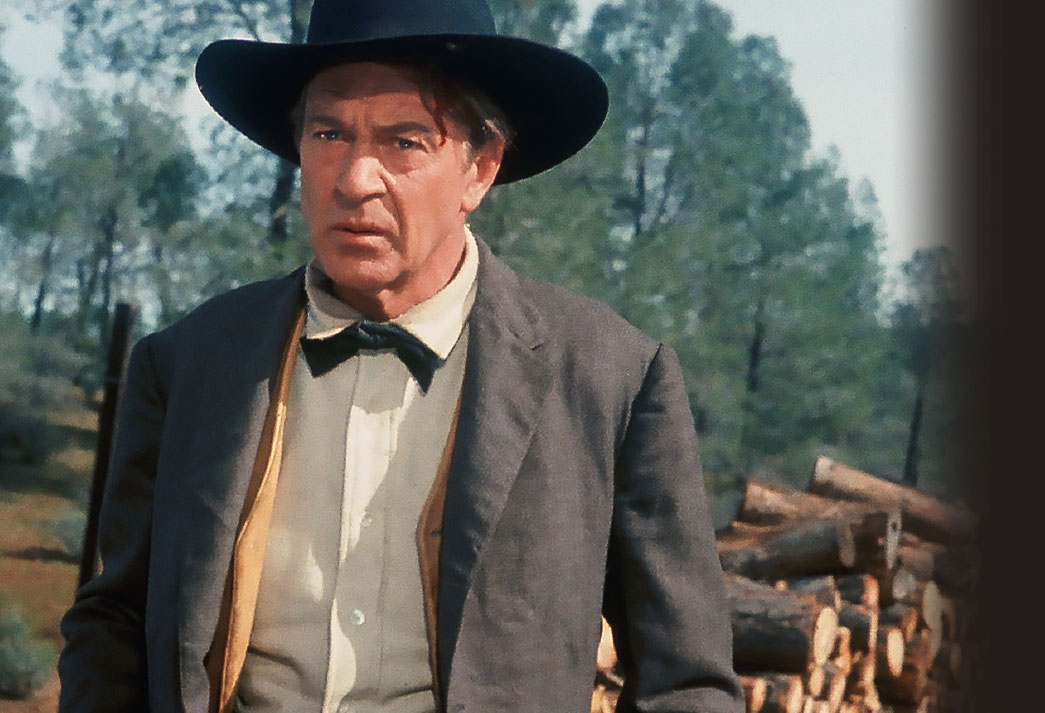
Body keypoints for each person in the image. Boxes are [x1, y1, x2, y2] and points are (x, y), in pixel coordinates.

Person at [57, 1, 743, 711]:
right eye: (329, 133)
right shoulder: (188, 367)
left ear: (480, 168)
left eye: (405, 141)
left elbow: (684, 681)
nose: (355, 179)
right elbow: (116, 622)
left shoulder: (611, 380)